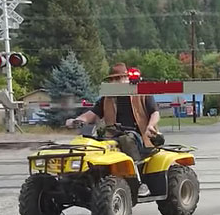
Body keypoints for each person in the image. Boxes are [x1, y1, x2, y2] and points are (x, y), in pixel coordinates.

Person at [66, 63, 160, 195]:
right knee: (90, 144)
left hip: (139, 135)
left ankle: (139, 183)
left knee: (126, 139)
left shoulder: (142, 93)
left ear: (127, 79)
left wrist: (150, 126)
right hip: (112, 135)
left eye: (118, 78)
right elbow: (92, 114)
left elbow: (155, 112)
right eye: (112, 79)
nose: (114, 82)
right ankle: (85, 179)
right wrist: (78, 120)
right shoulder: (107, 98)